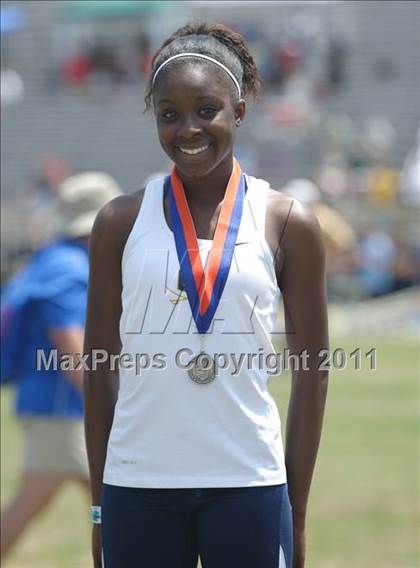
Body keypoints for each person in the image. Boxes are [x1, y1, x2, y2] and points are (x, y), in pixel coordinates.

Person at [84, 23, 329, 568]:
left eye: (206, 110)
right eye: (169, 114)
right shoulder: (119, 222)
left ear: (238, 111)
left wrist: (298, 509)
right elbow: (100, 370)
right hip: (138, 485)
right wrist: (100, 509)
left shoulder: (288, 222)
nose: (188, 128)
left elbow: (313, 373)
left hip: (250, 483)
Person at [0, 172, 122, 559]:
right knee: (116, 506)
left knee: (114, 508)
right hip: (63, 409)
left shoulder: (55, 258)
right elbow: (70, 347)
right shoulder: (69, 268)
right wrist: (111, 406)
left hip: (55, 408)